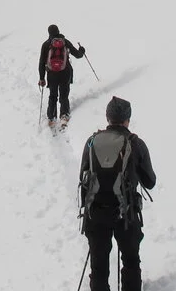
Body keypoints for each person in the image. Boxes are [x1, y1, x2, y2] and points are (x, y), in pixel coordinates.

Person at [79, 97, 156, 291]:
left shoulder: (92, 141)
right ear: (127, 119)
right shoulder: (135, 143)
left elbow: (83, 176)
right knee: (130, 261)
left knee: (99, 266)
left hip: (95, 212)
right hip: (126, 213)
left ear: (108, 117)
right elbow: (150, 181)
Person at [37, 24, 85, 127]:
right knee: (64, 95)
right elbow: (77, 55)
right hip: (65, 73)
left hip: (52, 75)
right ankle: (64, 115)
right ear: (58, 31)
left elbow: (41, 63)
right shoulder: (65, 42)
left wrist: (42, 78)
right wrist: (82, 51)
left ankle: (51, 118)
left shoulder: (46, 45)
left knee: (53, 95)